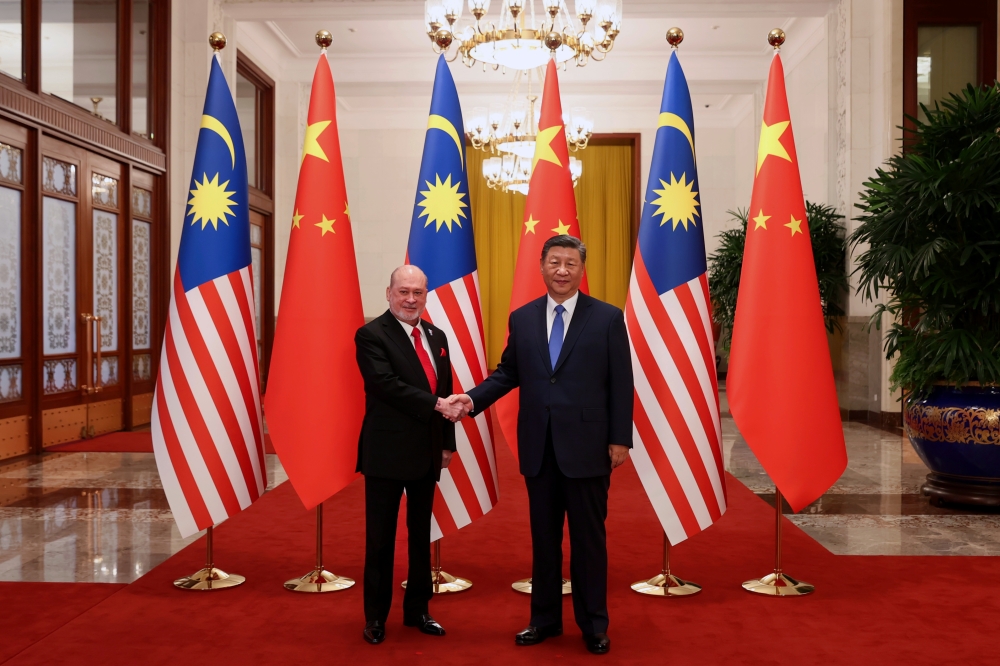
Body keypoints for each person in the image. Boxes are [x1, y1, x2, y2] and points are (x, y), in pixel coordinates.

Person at [451, 235, 633, 655]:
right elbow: (508, 373)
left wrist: (619, 438)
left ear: (581, 269)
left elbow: (621, 382)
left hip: (588, 448)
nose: (562, 270)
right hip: (539, 448)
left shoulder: (607, 318)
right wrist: (472, 399)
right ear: (542, 266)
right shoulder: (523, 317)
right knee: (544, 541)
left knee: (589, 542)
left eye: (570, 263)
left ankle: (594, 626)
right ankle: (544, 620)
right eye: (555, 262)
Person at [354, 265, 465, 645]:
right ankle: (375, 617)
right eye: (403, 291)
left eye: (418, 292)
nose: (410, 299)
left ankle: (418, 610)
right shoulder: (371, 334)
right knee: (380, 540)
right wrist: (437, 405)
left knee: (421, 537)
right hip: (385, 454)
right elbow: (385, 385)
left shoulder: (436, 336)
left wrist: (447, 442)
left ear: (426, 295)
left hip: (426, 451)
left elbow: (446, 389)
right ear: (389, 293)